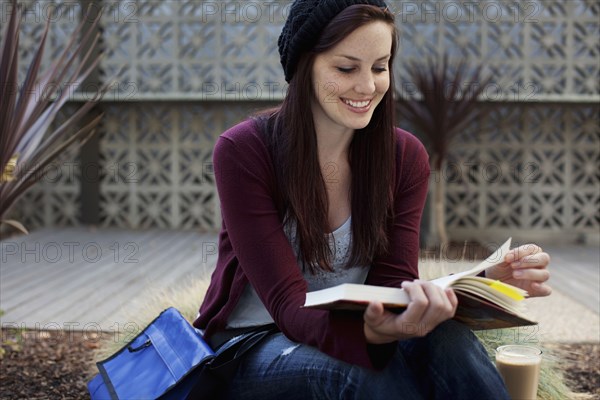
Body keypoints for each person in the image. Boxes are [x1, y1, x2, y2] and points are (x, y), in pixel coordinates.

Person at [193, 1, 552, 399]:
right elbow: (287, 304)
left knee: (449, 339)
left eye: (379, 67)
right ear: (303, 65)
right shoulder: (244, 151)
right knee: (358, 377)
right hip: (253, 343)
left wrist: (482, 283)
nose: (367, 87)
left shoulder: (404, 158)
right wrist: (369, 332)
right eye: (346, 68)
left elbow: (393, 284)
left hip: (358, 329)